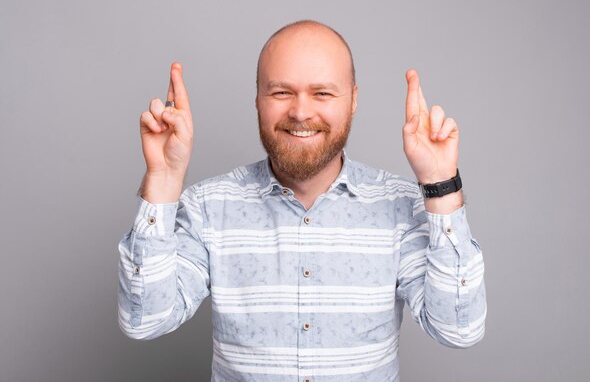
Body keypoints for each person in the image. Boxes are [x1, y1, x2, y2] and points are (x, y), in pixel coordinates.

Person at [118, 20, 486, 381]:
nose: (300, 112)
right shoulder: (208, 206)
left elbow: (458, 329)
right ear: (258, 99)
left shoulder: (401, 206)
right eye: (281, 92)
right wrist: (163, 180)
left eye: (322, 93)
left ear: (353, 100)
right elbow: (146, 320)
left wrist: (440, 185)